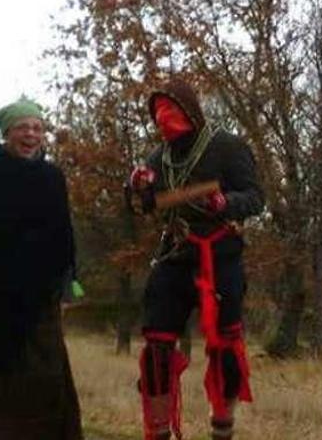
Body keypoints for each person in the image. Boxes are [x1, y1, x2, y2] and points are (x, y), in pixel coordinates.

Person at [129, 78, 264, 440]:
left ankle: (222, 429)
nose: (162, 119)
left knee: (225, 350)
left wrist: (225, 204)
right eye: (156, 114)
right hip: (174, 255)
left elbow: (255, 197)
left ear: (190, 110)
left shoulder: (228, 147)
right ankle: (158, 432)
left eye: (169, 110)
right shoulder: (158, 158)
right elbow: (146, 207)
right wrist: (139, 188)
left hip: (220, 257)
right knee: (156, 350)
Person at [0, 98, 83, 439]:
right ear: (7, 133)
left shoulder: (52, 177)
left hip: (43, 294)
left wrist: (70, 277)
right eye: (22, 128)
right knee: (5, 375)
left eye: (37, 128)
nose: (31, 134)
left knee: (47, 375)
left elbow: (64, 230)